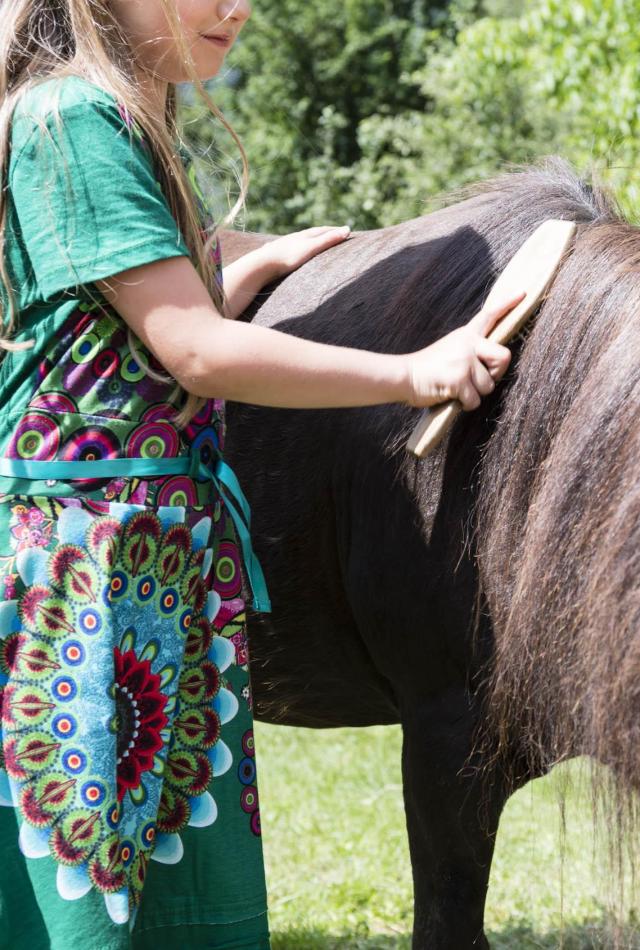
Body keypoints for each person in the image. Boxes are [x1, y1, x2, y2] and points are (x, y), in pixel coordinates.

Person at [0, 1, 522, 947]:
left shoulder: (130, 122)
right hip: (90, 570)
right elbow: (195, 351)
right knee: (89, 884)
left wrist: (252, 267)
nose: (236, 7)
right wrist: (412, 373)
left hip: (148, 559)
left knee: (157, 889)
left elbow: (125, 326)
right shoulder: (73, 119)